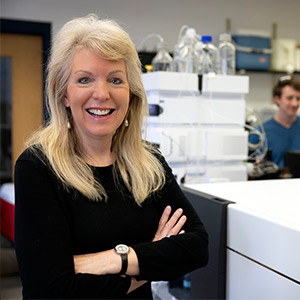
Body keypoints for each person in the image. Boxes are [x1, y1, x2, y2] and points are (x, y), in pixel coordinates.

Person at [14, 14, 209, 299]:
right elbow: (50, 288)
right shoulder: (38, 167)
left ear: (130, 92)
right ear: (64, 94)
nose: (102, 94)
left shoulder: (148, 162)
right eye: (84, 79)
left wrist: (114, 258)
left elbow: (197, 247)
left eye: (115, 79)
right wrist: (150, 258)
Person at [262, 75, 300, 169]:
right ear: (277, 99)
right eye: (289, 98)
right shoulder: (261, 133)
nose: (295, 103)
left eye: (298, 99)